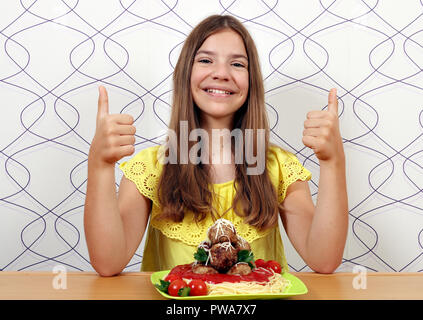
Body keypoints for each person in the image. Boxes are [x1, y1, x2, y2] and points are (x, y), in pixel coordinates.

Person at [84, 15, 348, 276]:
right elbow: (108, 262)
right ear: (186, 74)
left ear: (251, 80)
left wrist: (333, 162)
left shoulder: (278, 166)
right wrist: (100, 165)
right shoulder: (151, 167)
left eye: (237, 64)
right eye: (206, 60)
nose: (221, 73)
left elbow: (323, 259)